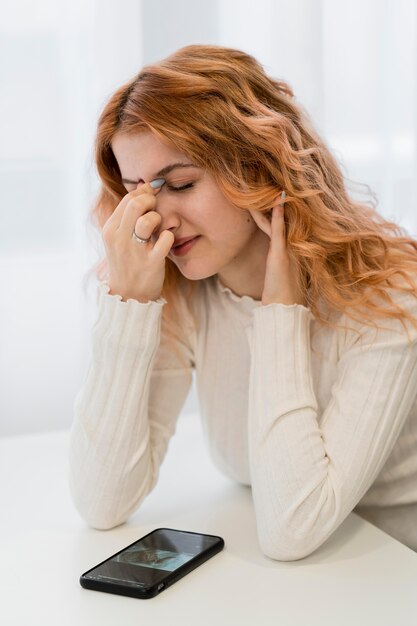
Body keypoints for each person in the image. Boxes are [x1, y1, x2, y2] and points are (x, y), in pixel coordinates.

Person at [69, 44, 417, 560]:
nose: (152, 218)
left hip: (389, 565)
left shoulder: (389, 295)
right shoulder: (183, 292)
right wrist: (128, 302)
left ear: (258, 168)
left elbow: (292, 530)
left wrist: (280, 311)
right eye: (135, 193)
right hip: (290, 580)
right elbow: (102, 503)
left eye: (180, 183)